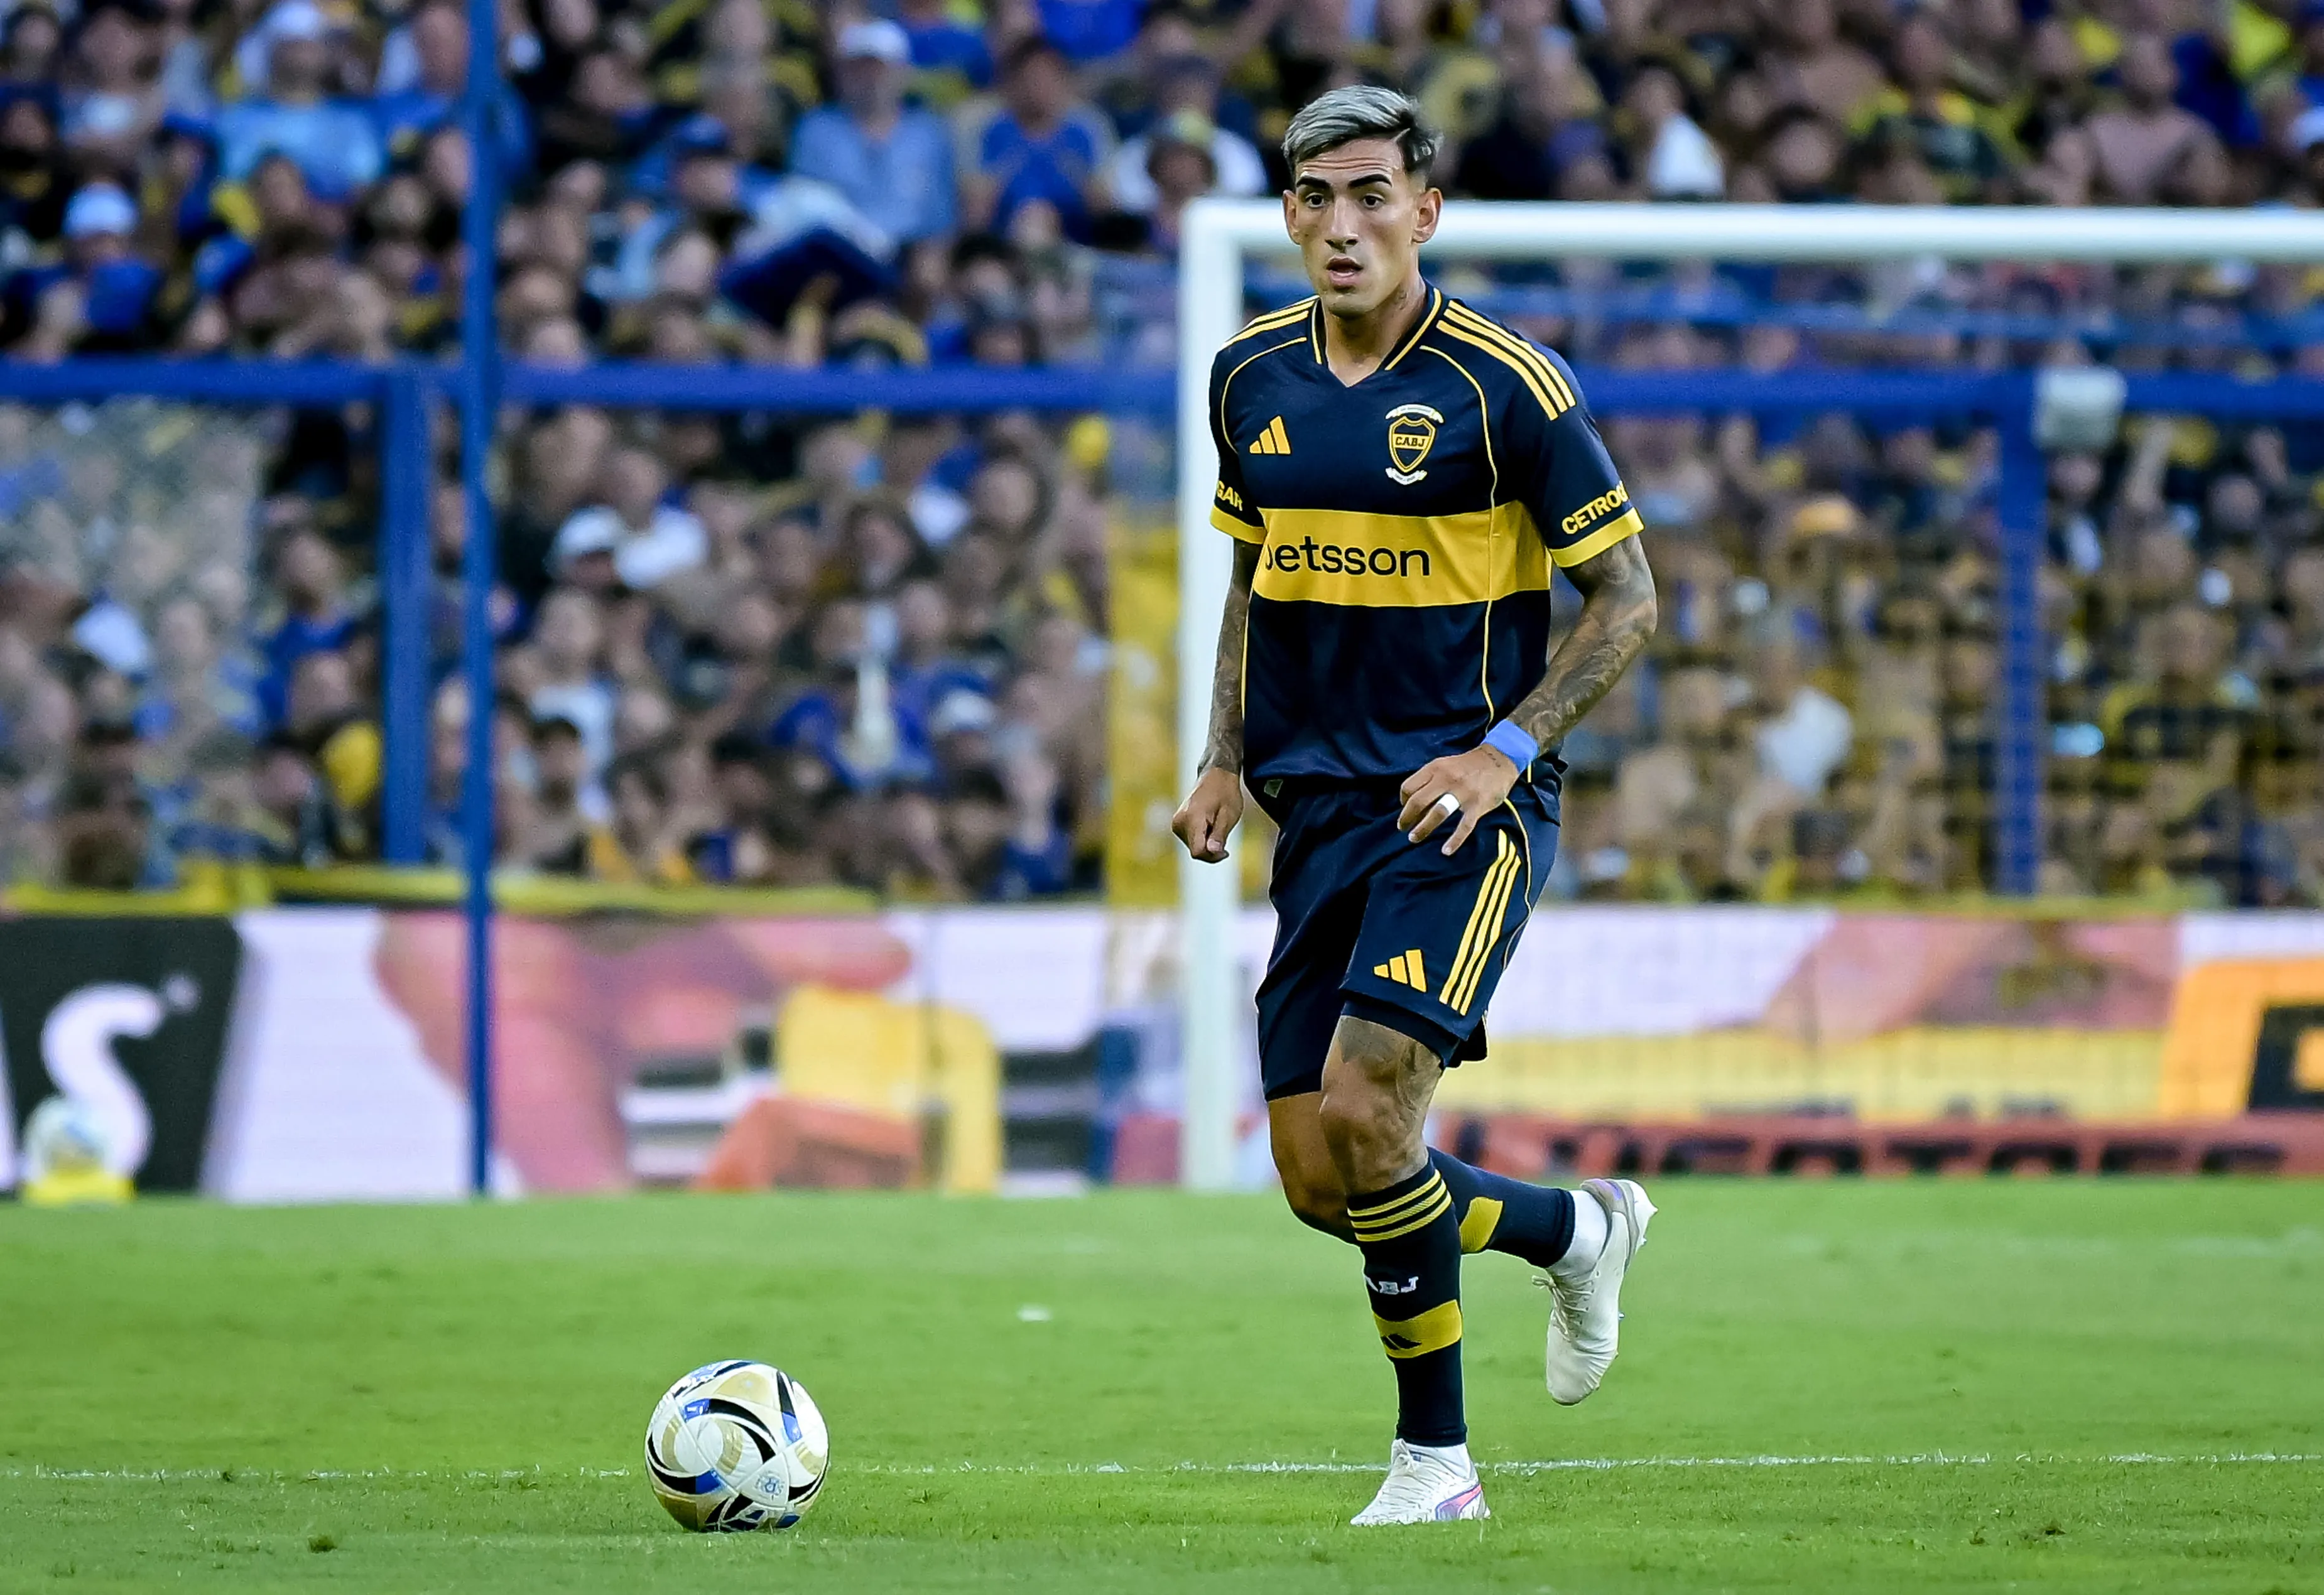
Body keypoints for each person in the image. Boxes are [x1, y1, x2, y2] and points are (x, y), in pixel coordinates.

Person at [1168, 85, 1662, 1527]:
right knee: (1323, 1175)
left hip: (1461, 805)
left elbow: (1627, 601)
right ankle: (1576, 1228)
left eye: (1370, 194)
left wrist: (1503, 750)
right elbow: (1252, 582)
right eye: (1314, 198)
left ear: (1425, 210)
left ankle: (1434, 1467)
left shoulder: (1508, 385)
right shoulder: (1244, 379)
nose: (1341, 224)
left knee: (1371, 1107)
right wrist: (1217, 757)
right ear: (1286, 216)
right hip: (1312, 804)